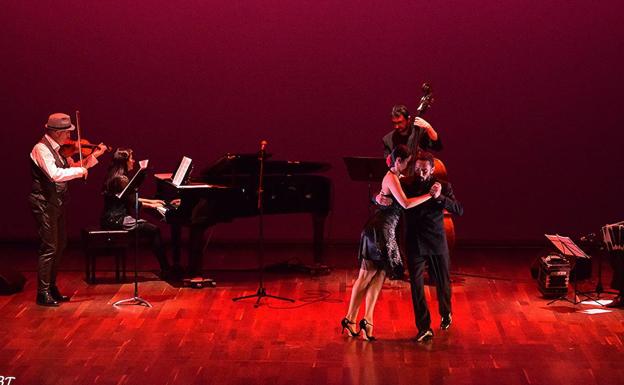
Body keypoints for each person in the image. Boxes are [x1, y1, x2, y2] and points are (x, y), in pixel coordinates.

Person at [341, 145, 434, 341]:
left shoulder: (396, 177)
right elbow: (406, 204)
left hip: (387, 232)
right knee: (366, 276)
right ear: (398, 161)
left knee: (380, 276)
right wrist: (429, 196)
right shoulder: (391, 177)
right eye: (407, 163)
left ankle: (367, 321)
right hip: (378, 231)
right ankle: (349, 319)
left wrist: (378, 197)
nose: (409, 167)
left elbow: (386, 195)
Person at [377, 151, 463, 342]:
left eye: (424, 170)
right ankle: (424, 327)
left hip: (437, 241)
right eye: (417, 170)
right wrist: (377, 198)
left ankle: (446, 312)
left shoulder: (444, 186)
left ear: (432, 169)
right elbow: (387, 193)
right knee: (417, 287)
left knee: (442, 283)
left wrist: (440, 197)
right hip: (414, 241)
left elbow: (459, 209)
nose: (421, 174)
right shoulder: (406, 184)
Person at [29, 112, 108, 306]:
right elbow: (55, 174)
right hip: (44, 202)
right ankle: (43, 291)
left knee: (61, 244)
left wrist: (93, 157)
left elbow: (74, 167)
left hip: (57, 202)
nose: (70, 137)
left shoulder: (60, 150)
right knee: (49, 247)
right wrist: (81, 171)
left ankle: (52, 286)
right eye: (67, 132)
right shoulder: (42, 149)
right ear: (56, 132)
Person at [100, 148, 172, 278]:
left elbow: (131, 198)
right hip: (117, 219)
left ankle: (166, 268)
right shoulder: (121, 179)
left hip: (111, 217)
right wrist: (153, 204)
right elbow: (135, 203)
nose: (133, 161)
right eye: (131, 159)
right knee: (154, 231)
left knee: (152, 230)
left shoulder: (115, 175)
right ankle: (166, 269)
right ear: (124, 162)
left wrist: (154, 202)